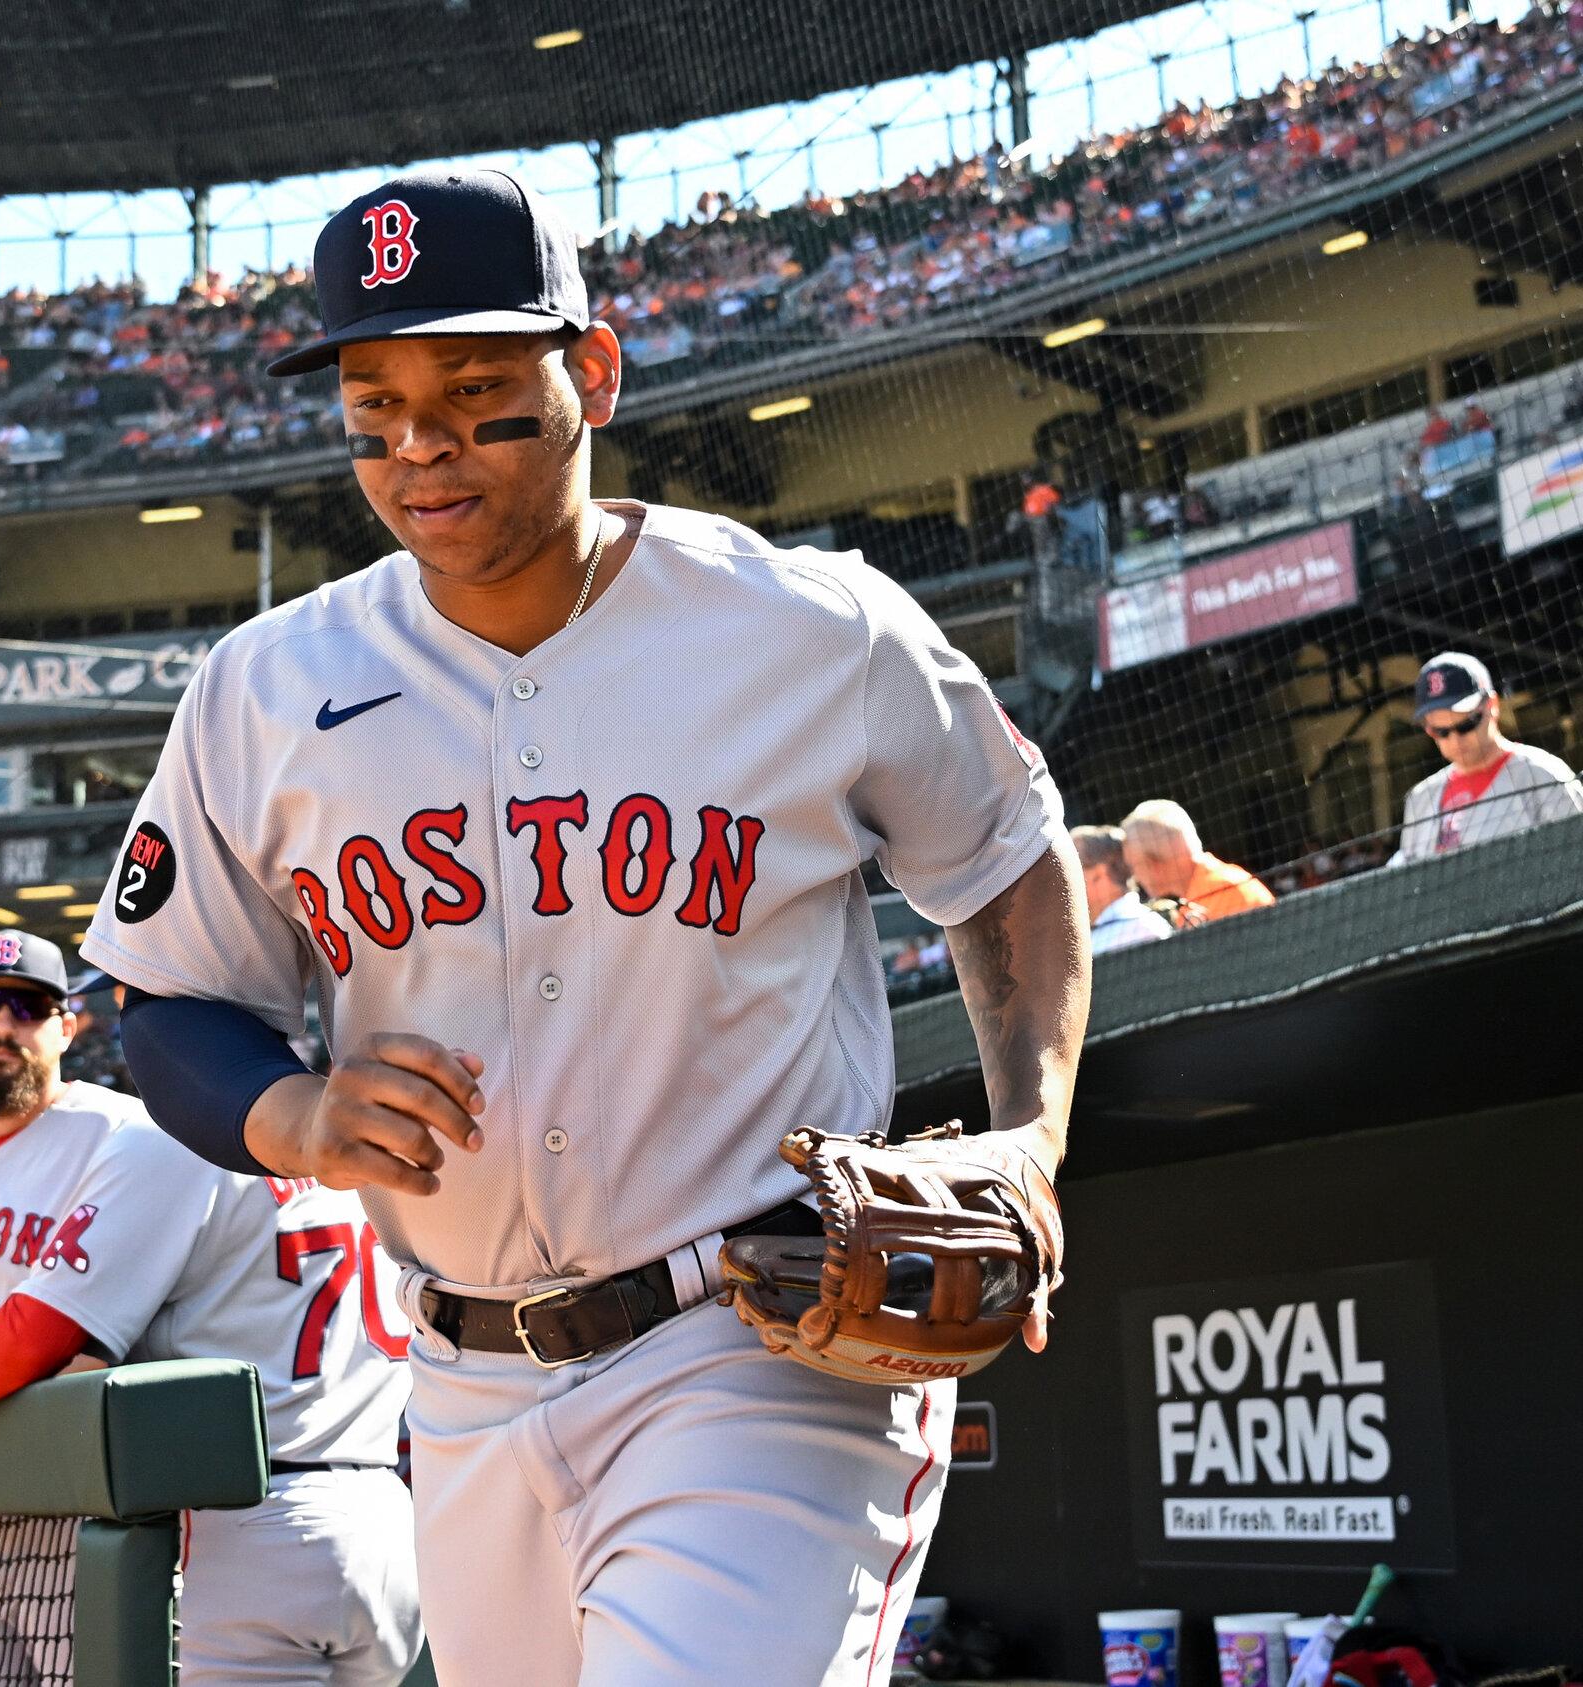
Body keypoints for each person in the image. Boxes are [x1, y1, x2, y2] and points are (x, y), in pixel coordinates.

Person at [83, 169, 1088, 1687]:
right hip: (459, 1383)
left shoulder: (814, 625)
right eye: (377, 400)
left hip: (755, 1335)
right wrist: (291, 1107)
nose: (421, 445)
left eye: (477, 391)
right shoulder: (264, 685)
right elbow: (159, 1003)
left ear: (593, 372)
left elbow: (1010, 862)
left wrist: (1031, 1134)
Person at [0, 932, 426, 1685]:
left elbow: (45, 1330)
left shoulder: (168, 1135)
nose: (131, 1020)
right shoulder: (343, 1127)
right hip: (386, 1519)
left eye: (145, 1002)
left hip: (251, 1521)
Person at [1384, 651, 1583, 866]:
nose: (1455, 739)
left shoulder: (1542, 773)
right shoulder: (1421, 798)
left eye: (1466, 725)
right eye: (1441, 731)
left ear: (1491, 706)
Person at [1120, 799, 1275, 926]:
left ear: (1153, 865)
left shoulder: (1222, 894)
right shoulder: (1198, 896)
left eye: (1134, 866)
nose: (1136, 878)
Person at [1071, 825, 1173, 954]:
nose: (1063, 878)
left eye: (1070, 869)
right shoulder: (1096, 930)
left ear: (1098, 874)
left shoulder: (1141, 928)